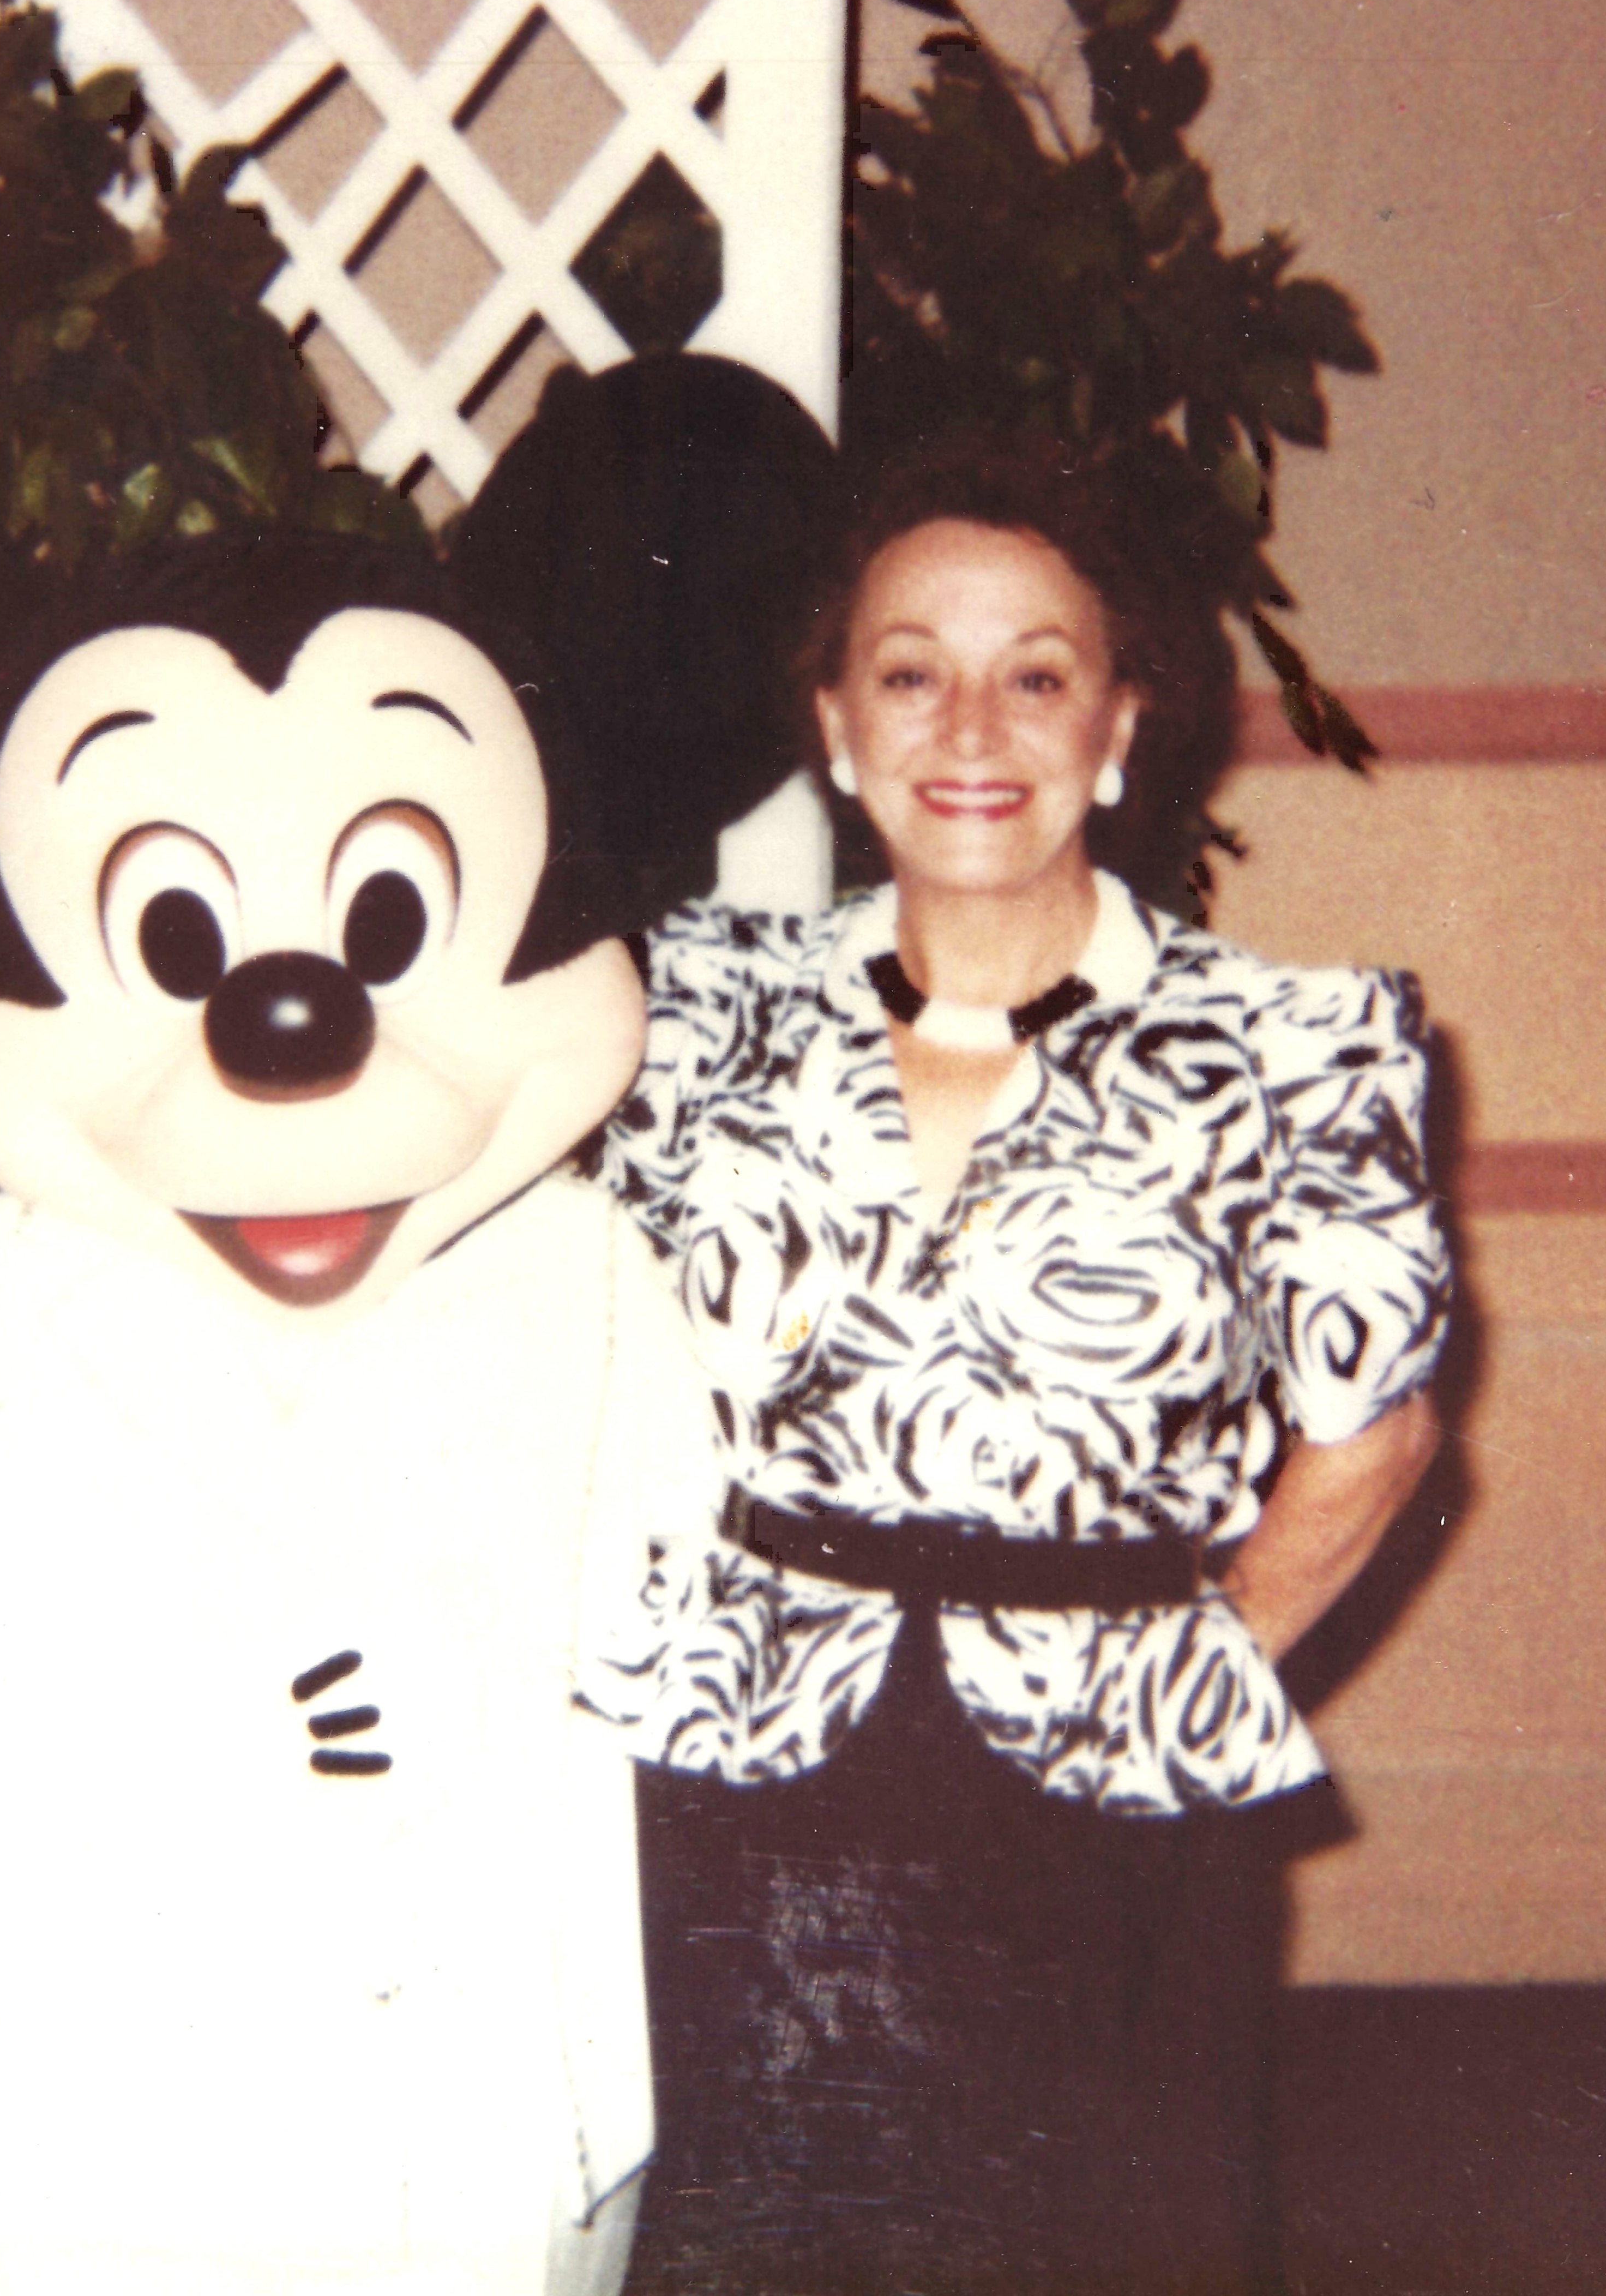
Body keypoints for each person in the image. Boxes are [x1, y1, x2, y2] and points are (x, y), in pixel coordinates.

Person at [595, 440, 1451, 2296]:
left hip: (1110, 1794)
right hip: (757, 1769)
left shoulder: (1288, 1048)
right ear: (836, 727)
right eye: (909, 672)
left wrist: (1193, 1659)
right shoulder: (693, 1012)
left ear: (1120, 725)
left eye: (1035, 675)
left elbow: (1374, 1436)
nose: (970, 729)